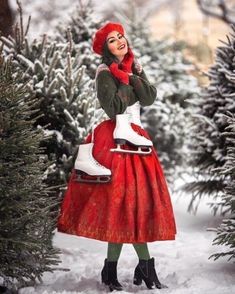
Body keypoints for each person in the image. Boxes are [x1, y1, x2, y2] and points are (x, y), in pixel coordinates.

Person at [57, 22, 176, 292]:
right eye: (112, 39)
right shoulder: (104, 74)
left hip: (137, 141)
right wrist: (124, 80)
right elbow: (112, 109)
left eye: (120, 36)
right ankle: (141, 266)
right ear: (105, 49)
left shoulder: (133, 67)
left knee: (132, 209)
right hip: (116, 142)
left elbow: (148, 98)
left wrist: (131, 76)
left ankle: (115, 269)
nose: (119, 41)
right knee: (123, 208)